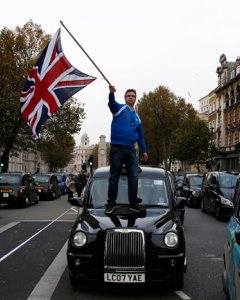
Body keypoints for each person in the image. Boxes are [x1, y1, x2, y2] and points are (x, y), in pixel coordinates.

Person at [105, 85, 148, 214]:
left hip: (131, 150)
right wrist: (111, 93)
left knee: (134, 177)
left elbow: (140, 136)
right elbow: (111, 104)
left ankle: (134, 203)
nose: (130, 97)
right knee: (114, 177)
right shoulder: (119, 108)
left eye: (133, 96)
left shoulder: (137, 117)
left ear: (135, 98)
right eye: (128, 96)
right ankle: (111, 203)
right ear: (125, 98)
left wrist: (144, 150)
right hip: (117, 148)